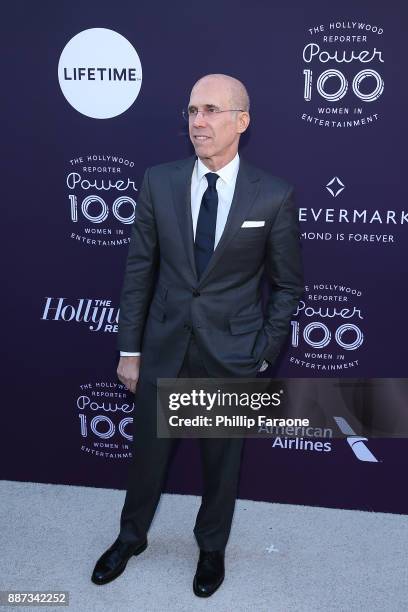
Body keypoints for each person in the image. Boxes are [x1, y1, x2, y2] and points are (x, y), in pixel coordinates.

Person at [91, 73, 304, 597]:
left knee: (221, 462)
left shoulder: (273, 195)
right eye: (191, 111)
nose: (198, 122)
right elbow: (139, 271)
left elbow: (288, 285)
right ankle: (130, 537)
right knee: (147, 457)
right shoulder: (158, 182)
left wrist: (262, 353)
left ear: (242, 121)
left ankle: (211, 548)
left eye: (211, 110)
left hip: (231, 354)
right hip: (163, 347)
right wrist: (129, 350)